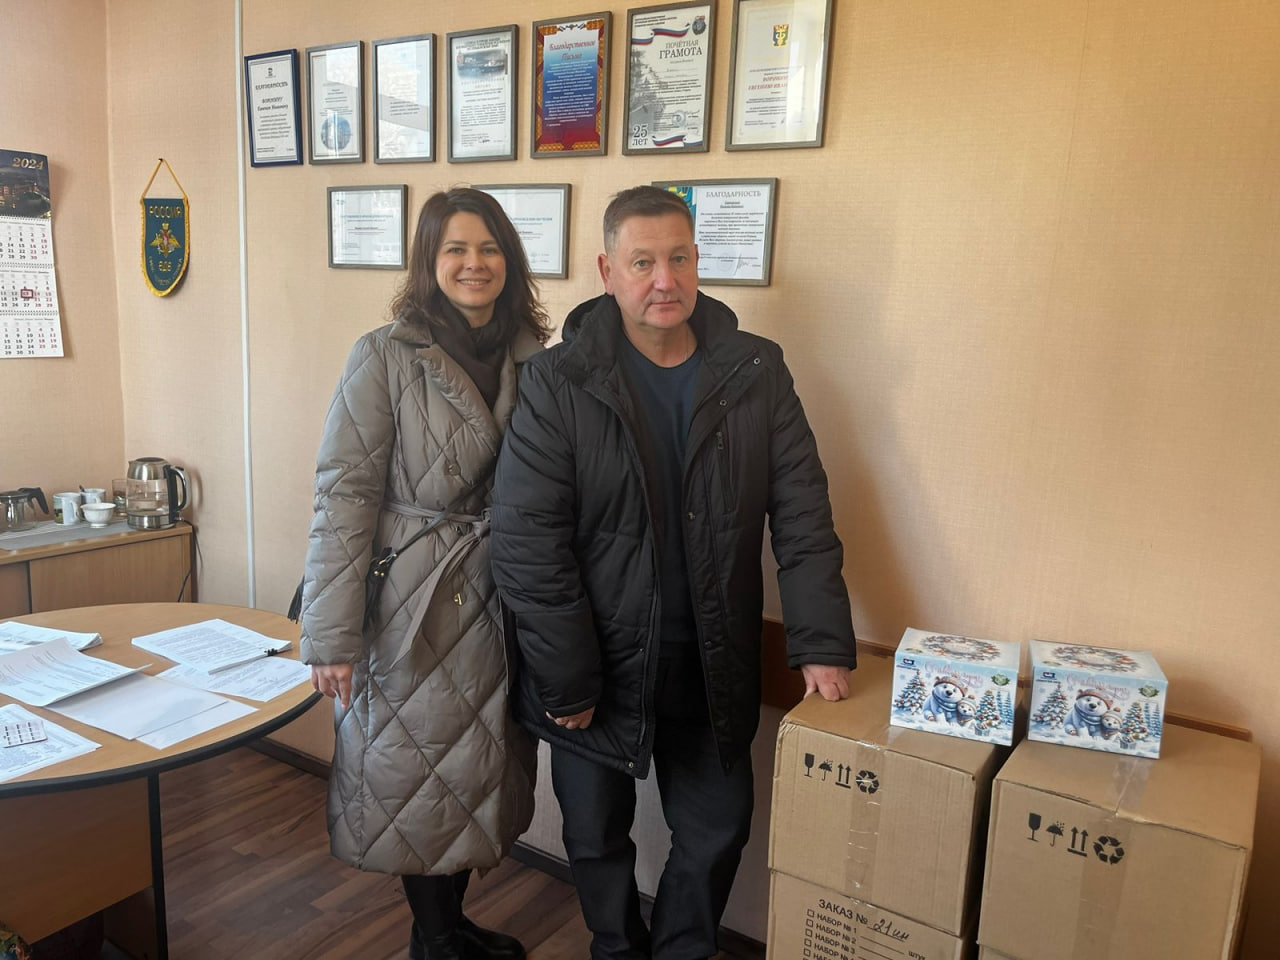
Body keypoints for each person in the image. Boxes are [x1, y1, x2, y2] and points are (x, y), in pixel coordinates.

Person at [490, 185, 856, 960]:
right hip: (595, 662)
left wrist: (821, 641)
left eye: (680, 258)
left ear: (698, 261)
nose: (666, 280)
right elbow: (528, 543)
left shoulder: (756, 369)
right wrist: (569, 680)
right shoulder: (557, 382)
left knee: (719, 827)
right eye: (643, 262)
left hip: (710, 657)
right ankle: (616, 949)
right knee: (595, 836)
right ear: (608, 271)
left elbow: (803, 514)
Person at [298, 188, 552, 960]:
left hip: (504, 594)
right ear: (428, 262)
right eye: (456, 250)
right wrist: (331, 636)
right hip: (414, 599)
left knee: (474, 773)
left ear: (510, 260)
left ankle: (447, 926)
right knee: (417, 772)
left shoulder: (536, 358)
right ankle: (435, 938)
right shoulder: (384, 355)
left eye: (490, 248)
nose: (475, 264)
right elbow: (344, 495)